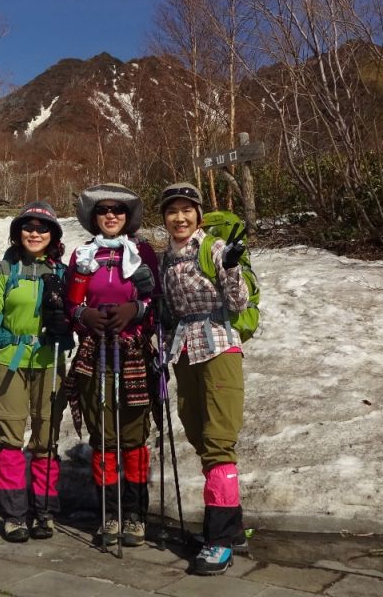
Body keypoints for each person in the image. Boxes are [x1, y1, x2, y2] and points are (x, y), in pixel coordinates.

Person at [157, 182, 249, 576]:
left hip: (218, 346)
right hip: (184, 350)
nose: (180, 217)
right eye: (172, 211)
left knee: (218, 441)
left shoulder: (212, 249)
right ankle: (234, 529)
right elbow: (168, 311)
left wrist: (231, 267)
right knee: (198, 433)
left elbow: (238, 303)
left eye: (186, 210)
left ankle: (220, 538)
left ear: (198, 213)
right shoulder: (166, 259)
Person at [63, 183, 159, 548]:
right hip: (95, 351)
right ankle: (110, 512)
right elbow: (71, 306)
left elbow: (157, 300)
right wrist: (84, 314)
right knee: (103, 435)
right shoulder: (83, 256)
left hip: (132, 351)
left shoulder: (142, 253)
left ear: (127, 216)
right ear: (94, 217)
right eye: (103, 211)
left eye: (118, 210)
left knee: (133, 435)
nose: (111, 216)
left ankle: (135, 514)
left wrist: (136, 309)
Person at [0, 201, 73, 543]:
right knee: (10, 438)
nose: (35, 232)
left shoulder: (62, 271)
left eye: (42, 227)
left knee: (46, 438)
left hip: (50, 360)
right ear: (18, 233)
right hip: (11, 361)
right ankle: (15, 514)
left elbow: (75, 312)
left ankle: (44, 511)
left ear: (53, 235)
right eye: (28, 227)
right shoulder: (7, 267)